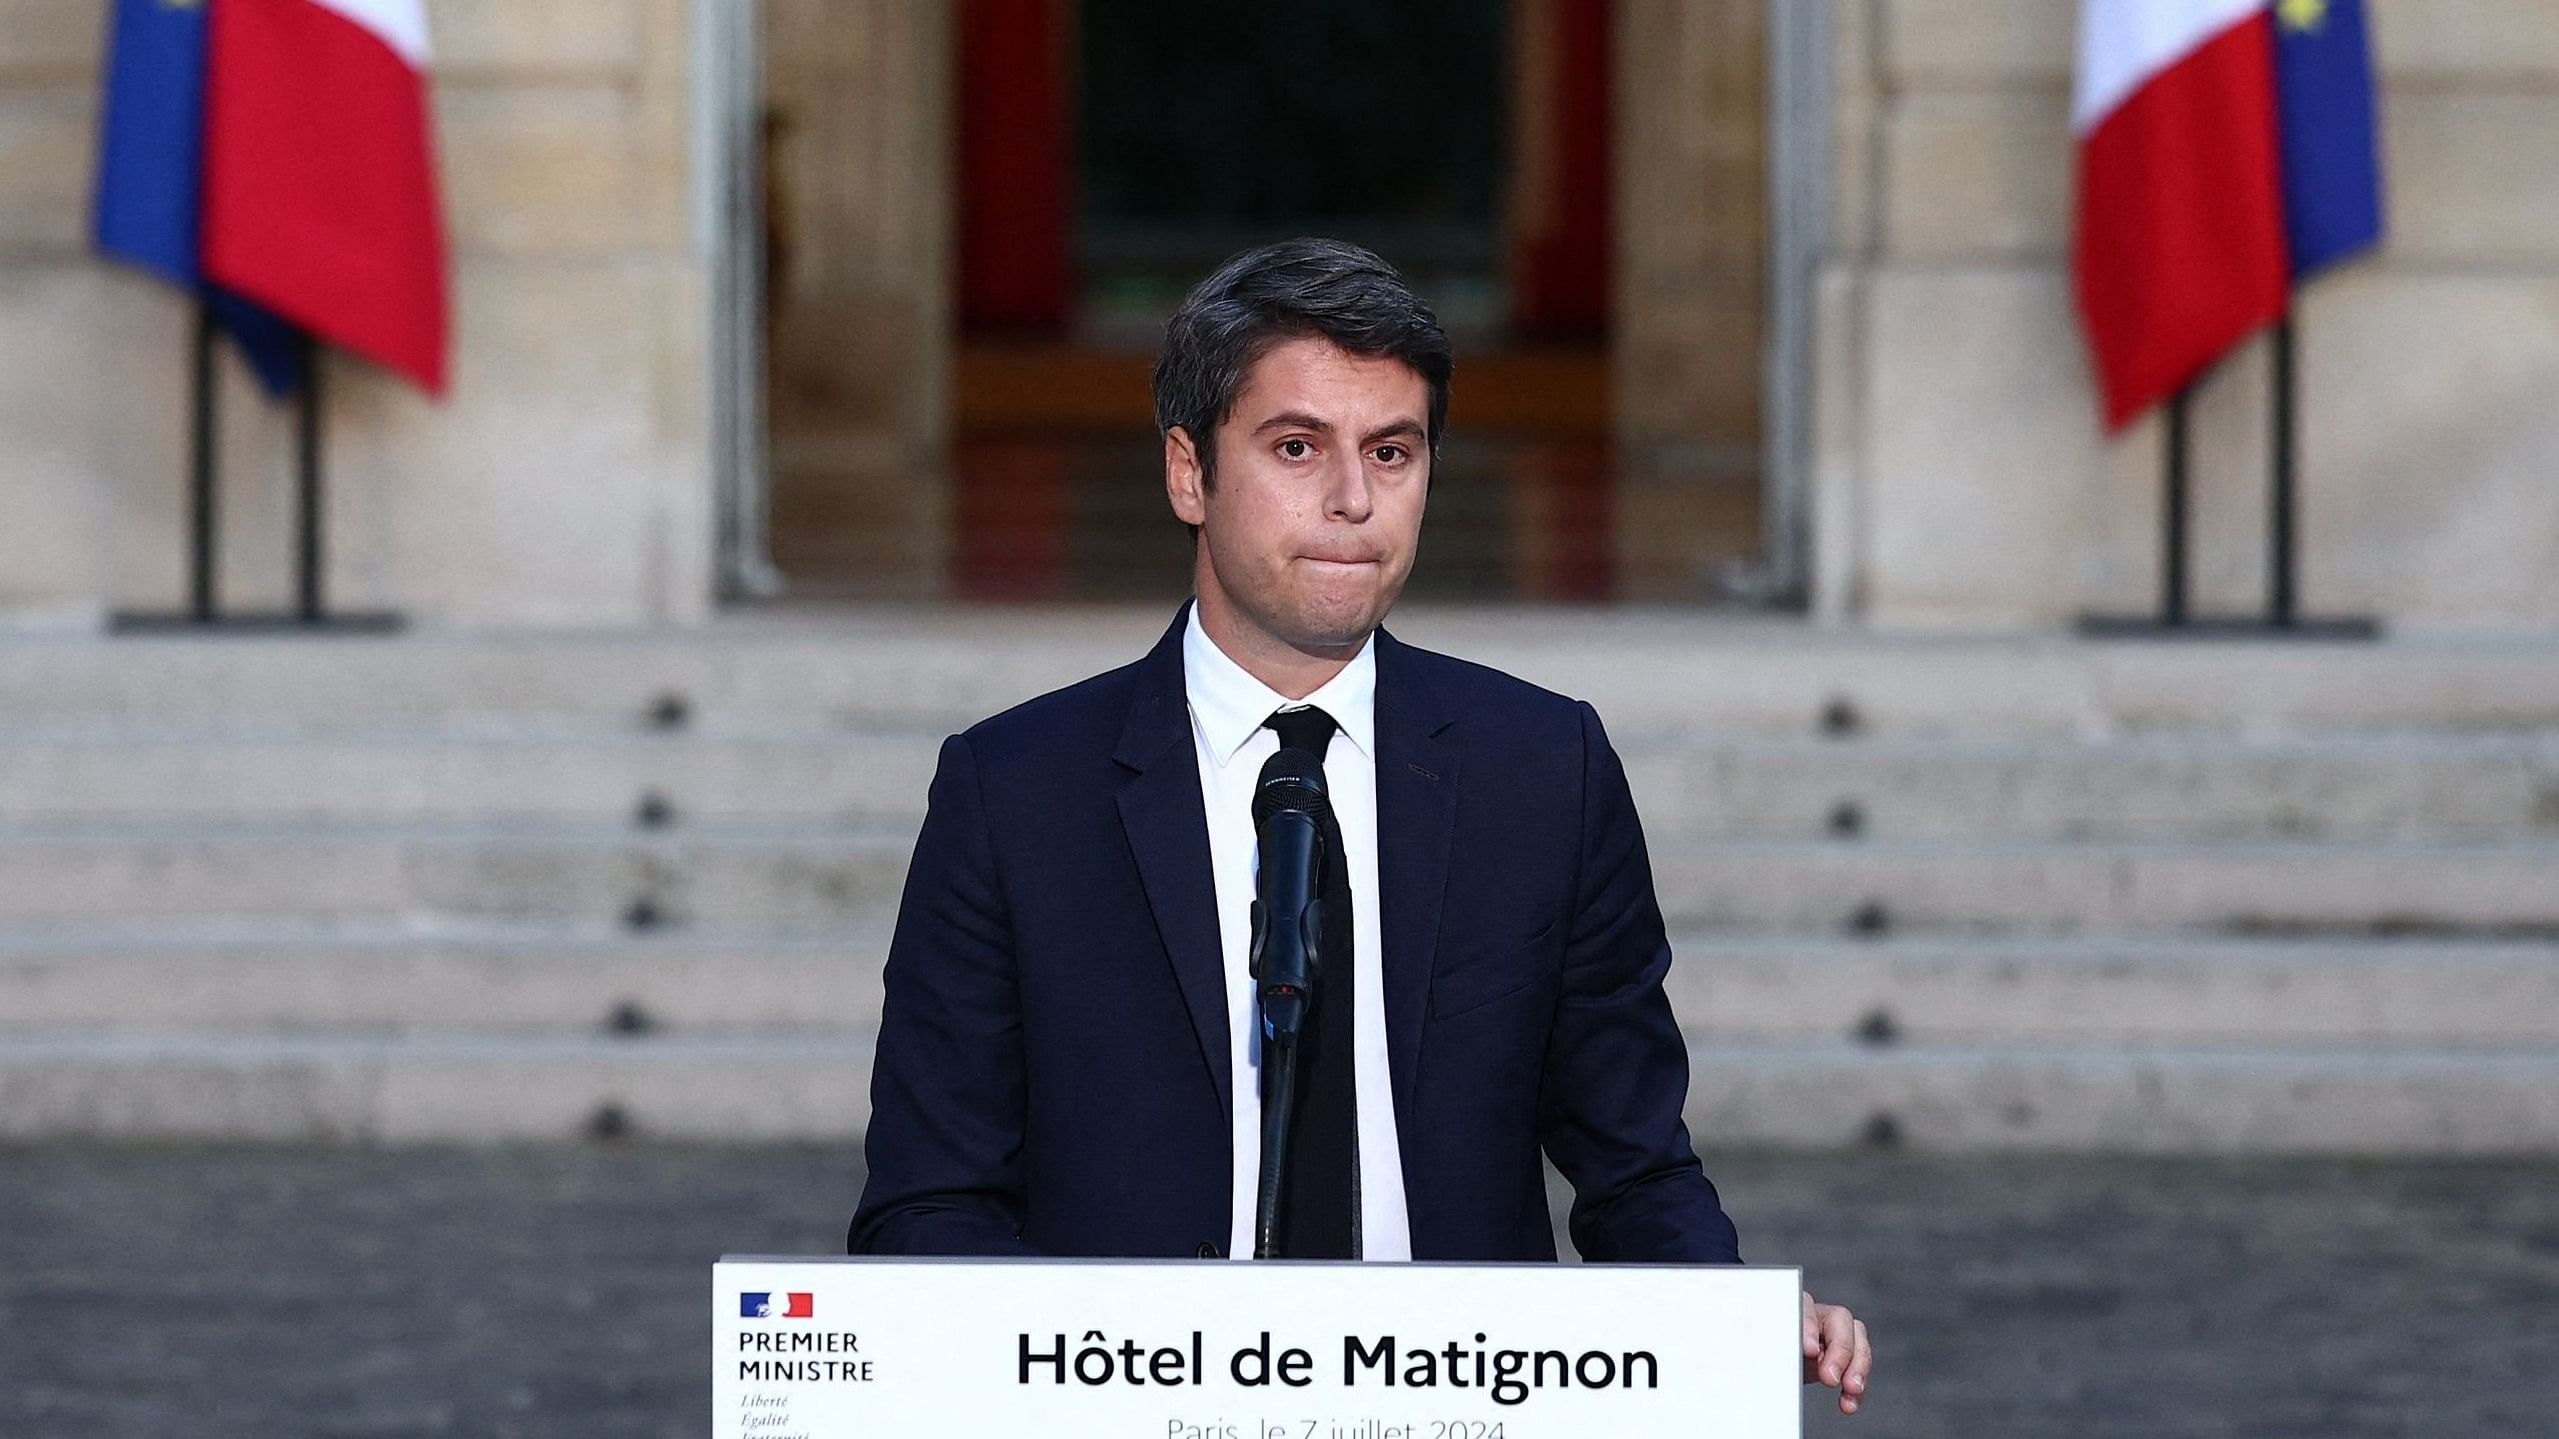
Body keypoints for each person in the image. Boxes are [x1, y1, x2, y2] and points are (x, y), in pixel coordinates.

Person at [851, 238, 1872, 1415]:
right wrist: (1102, 1381)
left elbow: (1633, 1159)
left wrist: (1727, 1315)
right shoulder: (1015, 790)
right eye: (1298, 448)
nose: (1353, 499)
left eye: (1392, 451)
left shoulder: (1545, 768)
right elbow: (927, 1207)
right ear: (1190, 472)